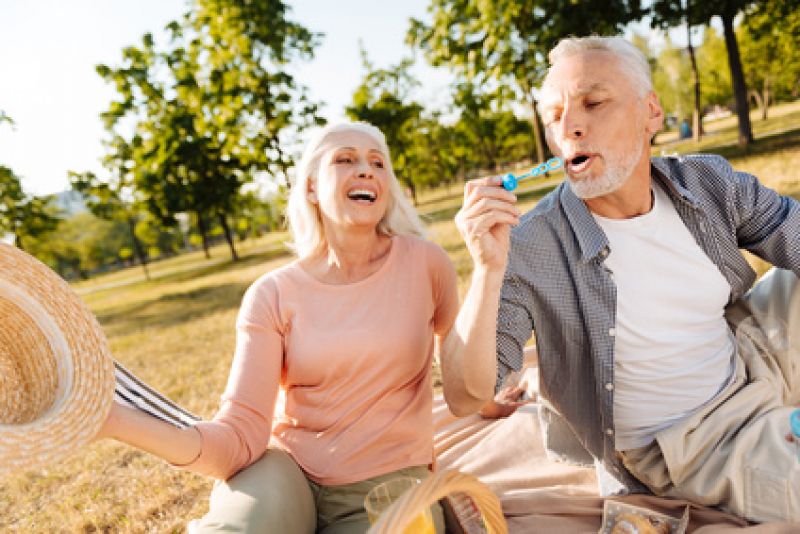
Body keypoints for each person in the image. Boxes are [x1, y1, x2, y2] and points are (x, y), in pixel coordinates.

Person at [442, 35, 800, 524]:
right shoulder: (531, 247)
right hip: (693, 442)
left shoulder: (706, 182)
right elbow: (465, 396)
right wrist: (485, 269)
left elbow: (787, 227)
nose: (569, 126)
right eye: (553, 116)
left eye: (593, 102)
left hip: (750, 354)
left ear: (650, 112)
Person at [93, 121, 459, 533]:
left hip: (391, 483)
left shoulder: (425, 264)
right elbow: (240, 435)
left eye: (377, 163)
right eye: (345, 160)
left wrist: (490, 399)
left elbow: (461, 360)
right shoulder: (272, 294)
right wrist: (114, 420)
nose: (365, 170)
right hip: (286, 473)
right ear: (310, 188)